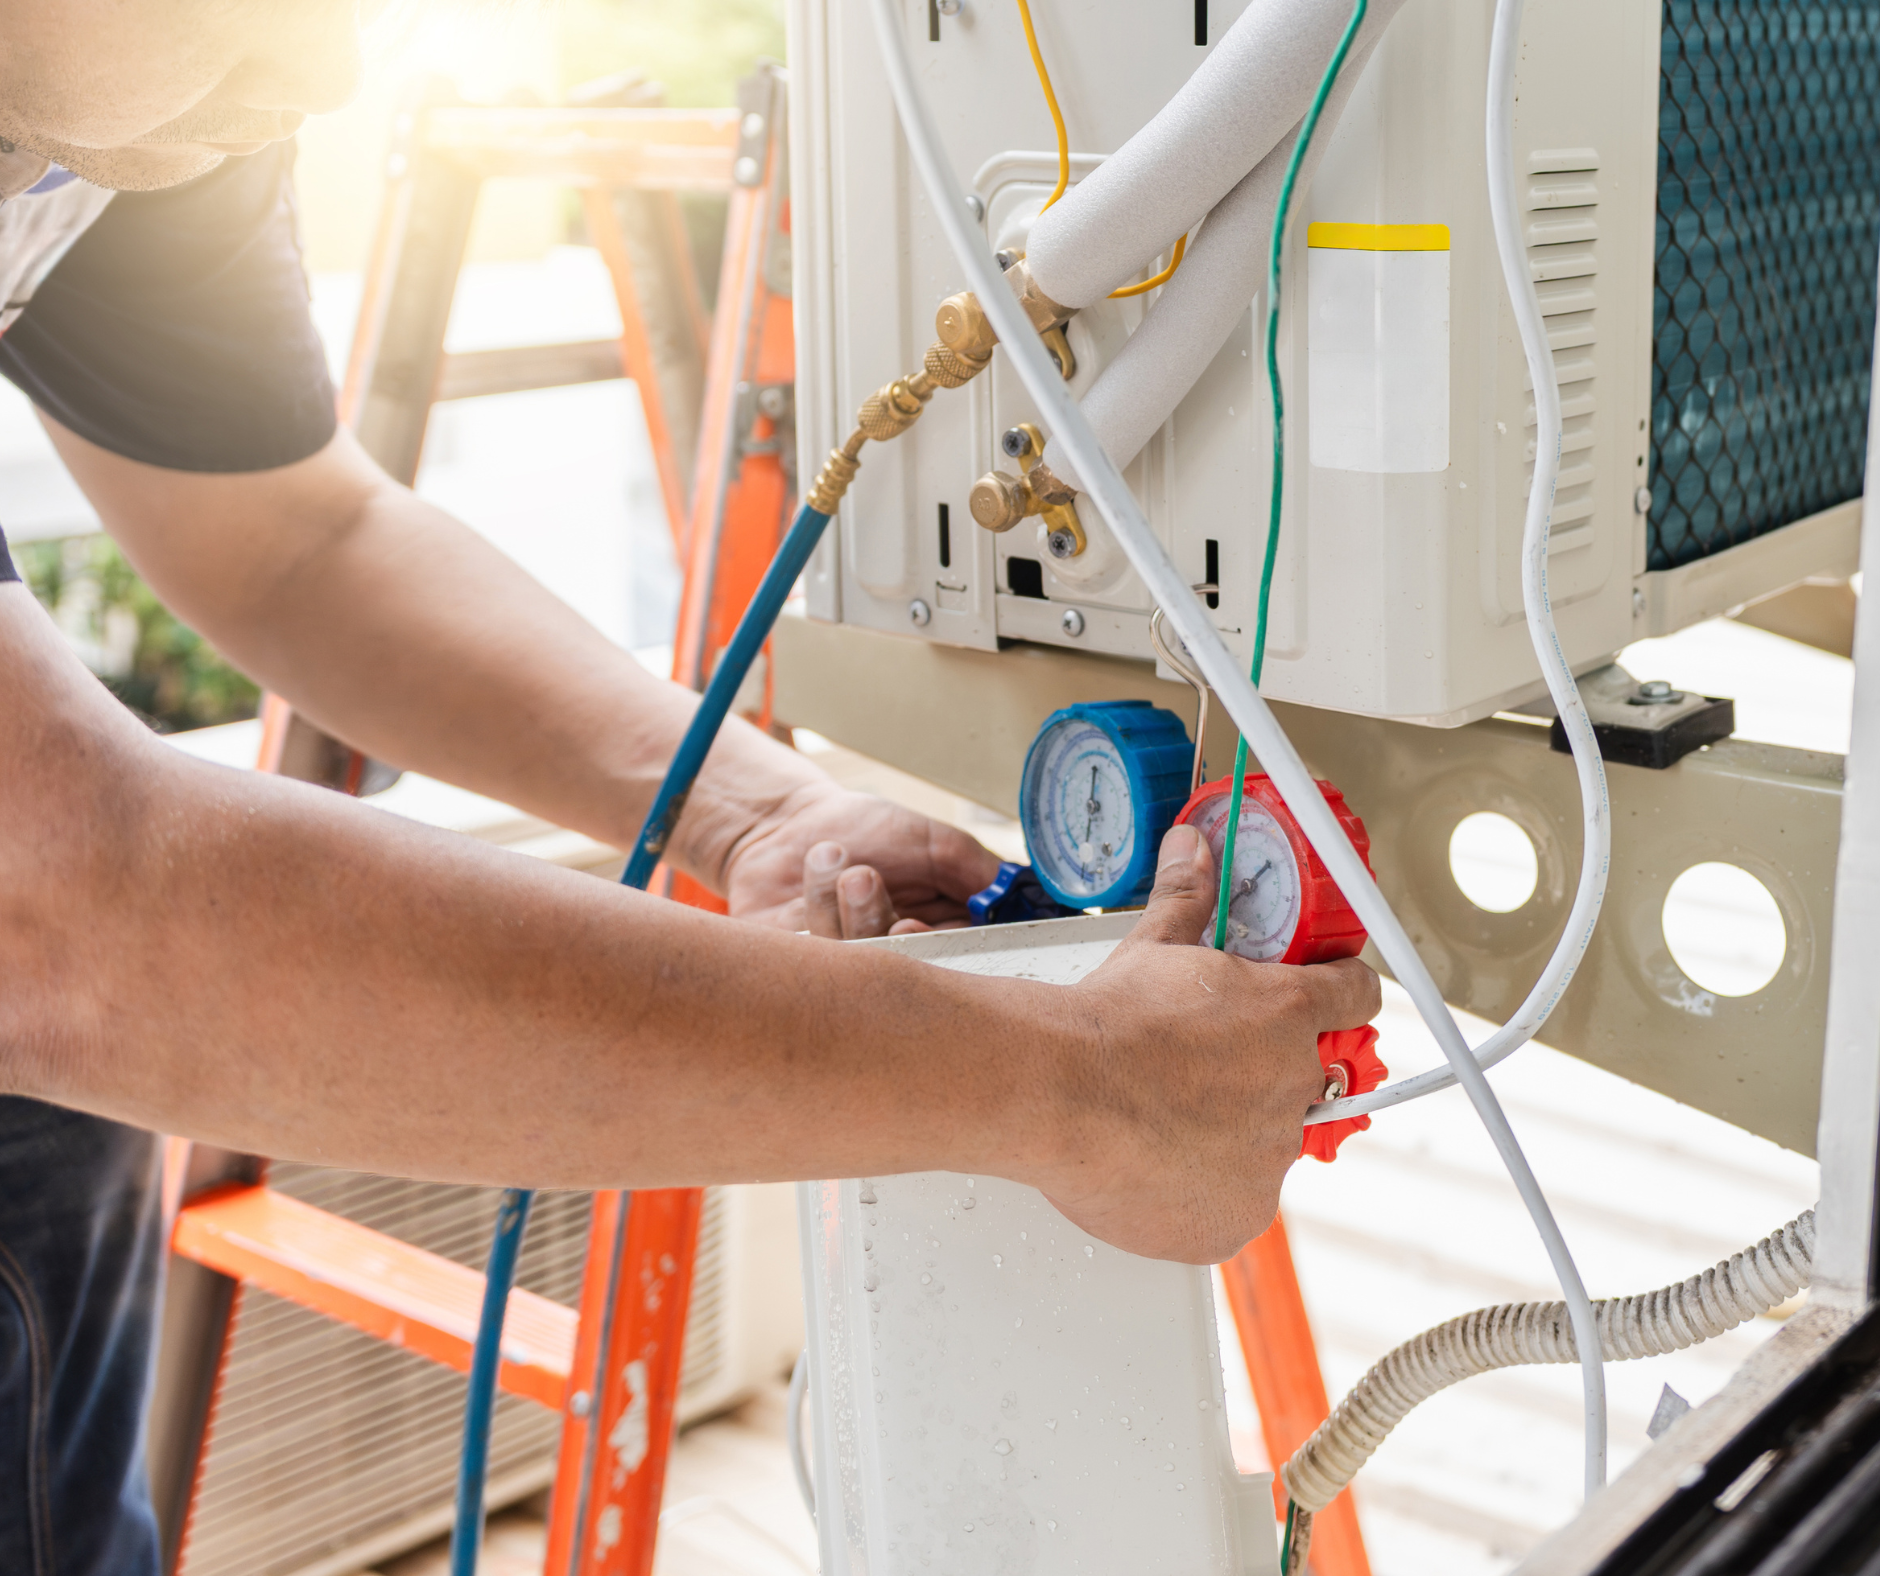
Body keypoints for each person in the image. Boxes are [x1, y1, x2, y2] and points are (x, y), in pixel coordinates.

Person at [0, 2, 1380, 1571]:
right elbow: (59, 907)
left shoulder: (149, 85)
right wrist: (1063, 1086)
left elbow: (285, 536)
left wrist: (754, 808)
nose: (321, 73)